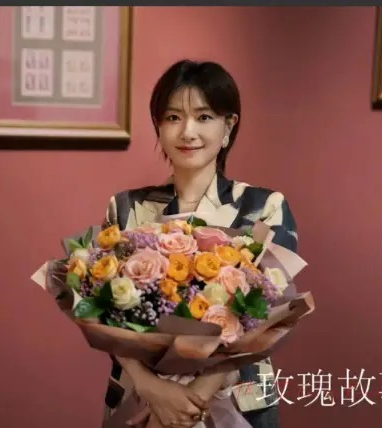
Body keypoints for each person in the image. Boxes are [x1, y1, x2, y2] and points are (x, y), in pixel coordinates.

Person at [101, 60, 298, 428]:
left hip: (239, 399)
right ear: (159, 126)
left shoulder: (263, 207)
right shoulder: (127, 208)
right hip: (141, 399)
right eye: (173, 117)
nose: (187, 131)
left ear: (228, 127)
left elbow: (270, 316)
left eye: (204, 117)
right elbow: (103, 312)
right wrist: (153, 388)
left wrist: (195, 397)